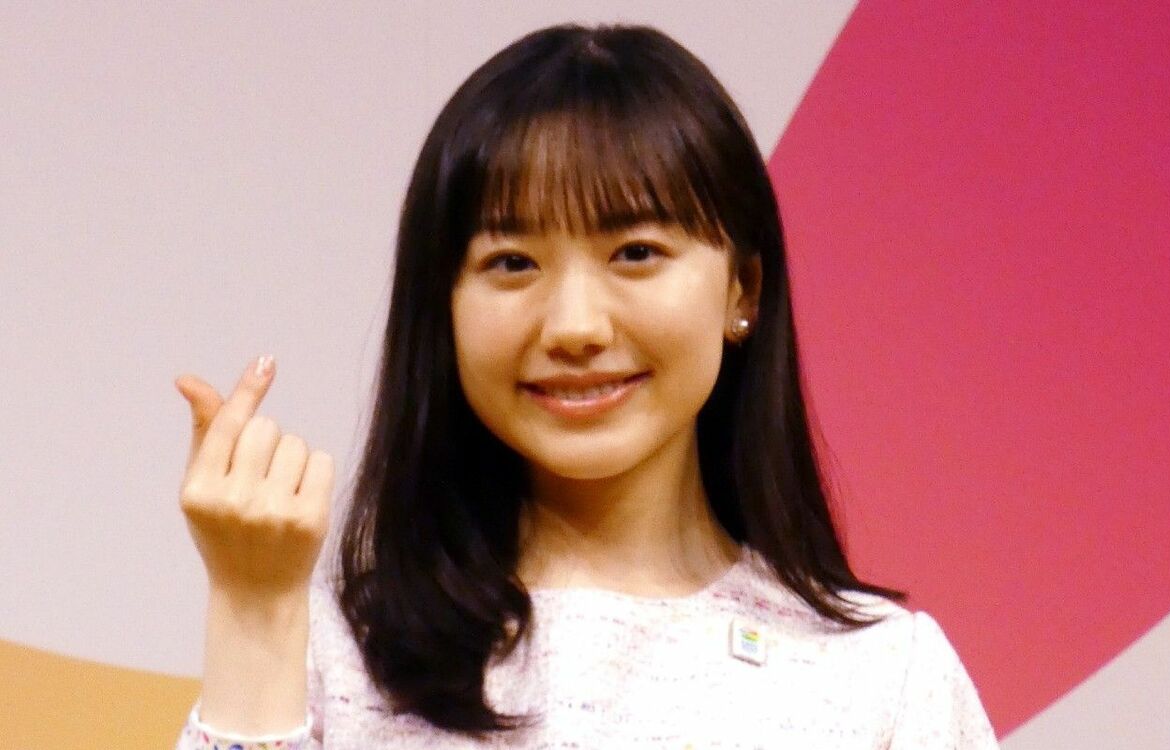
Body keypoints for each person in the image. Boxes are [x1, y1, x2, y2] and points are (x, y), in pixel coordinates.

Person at [173, 22, 999, 749]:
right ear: (442, 305)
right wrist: (252, 614)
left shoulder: (883, 679)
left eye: (635, 253)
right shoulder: (336, 653)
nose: (574, 326)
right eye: (512, 263)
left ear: (742, 289)